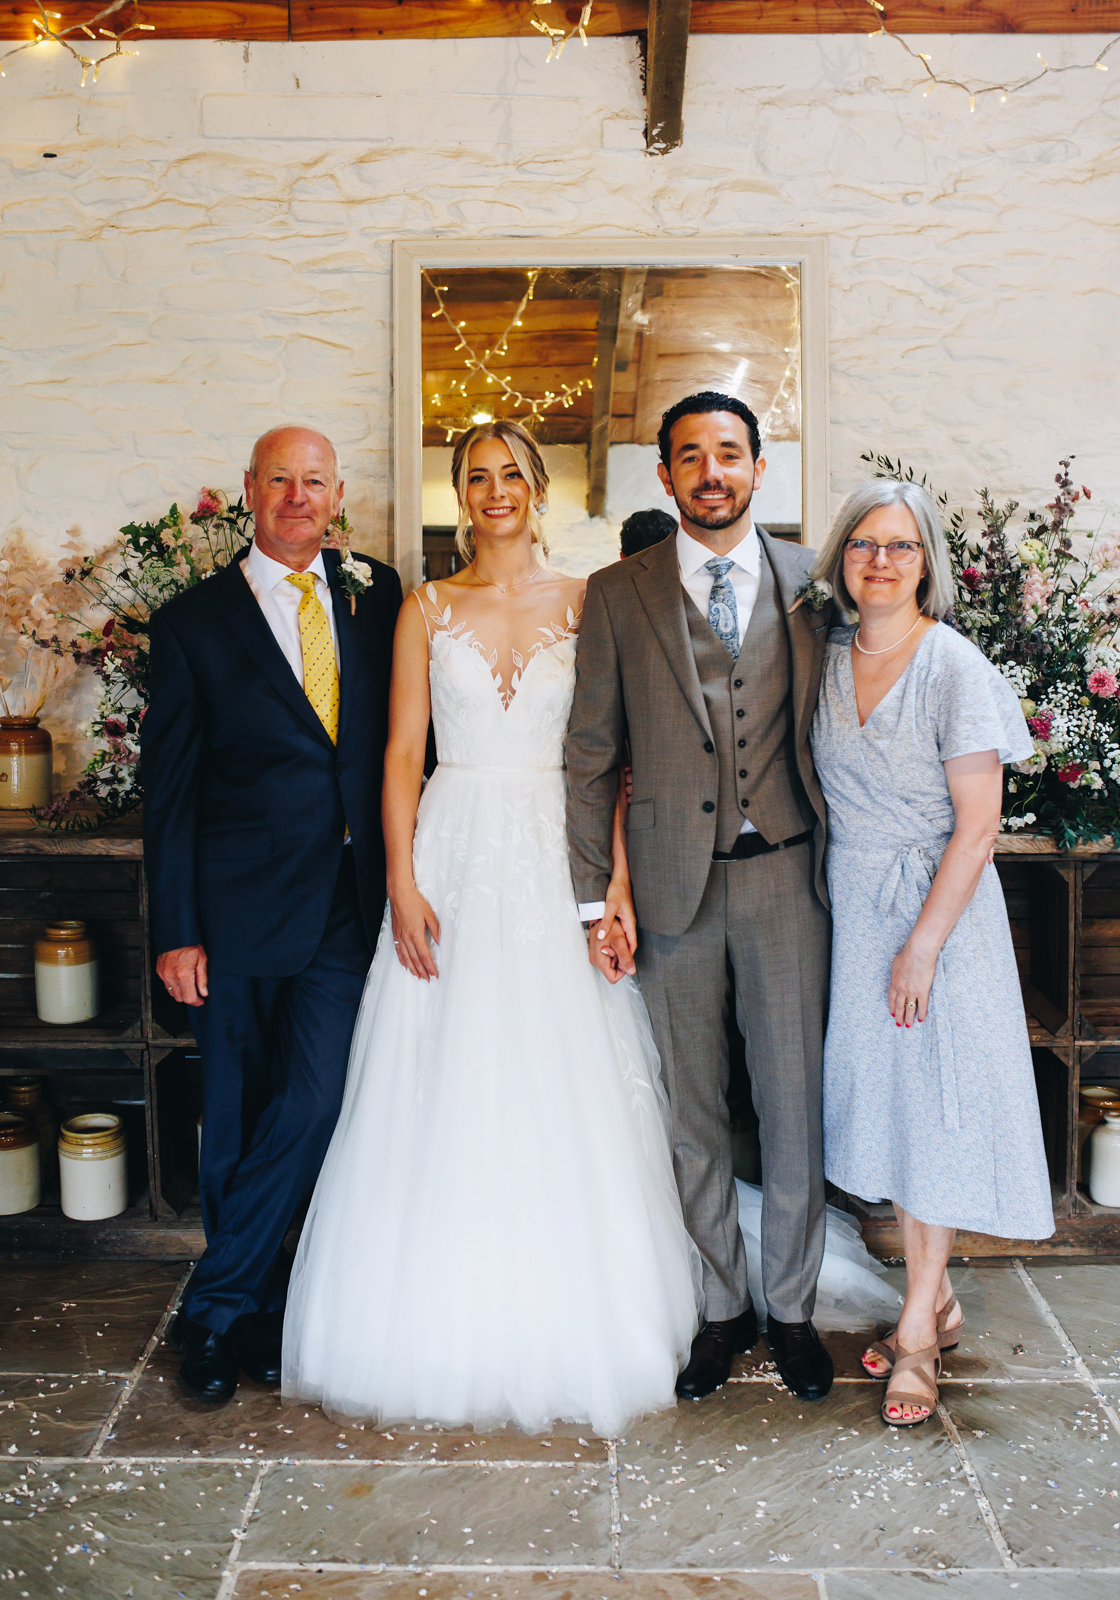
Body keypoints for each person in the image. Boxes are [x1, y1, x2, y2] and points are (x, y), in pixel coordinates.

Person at [282, 419, 700, 1436]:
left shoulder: (590, 598)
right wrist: (401, 881)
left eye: (511, 472)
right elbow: (397, 755)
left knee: (559, 1065)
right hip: (453, 845)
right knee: (443, 1062)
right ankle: (429, 1304)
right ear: (458, 494)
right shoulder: (425, 606)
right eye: (476, 475)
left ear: (537, 486)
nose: (495, 489)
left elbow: (609, 760)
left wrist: (616, 892)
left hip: (558, 848)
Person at [566, 390, 837, 1404]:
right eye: (691, 455)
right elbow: (589, 754)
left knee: (790, 1104)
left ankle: (794, 1309)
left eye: (729, 452)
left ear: (758, 468)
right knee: (692, 1108)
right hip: (671, 886)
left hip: (786, 877)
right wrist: (594, 897)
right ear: (667, 476)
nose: (711, 470)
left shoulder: (817, 580)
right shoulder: (615, 592)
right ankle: (722, 1308)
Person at [142, 425, 403, 1406]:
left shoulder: (377, 596)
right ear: (248, 491)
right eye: (279, 480)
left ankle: (211, 1306)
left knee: (317, 1097)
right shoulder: (193, 622)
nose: (297, 496)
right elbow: (167, 794)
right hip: (234, 909)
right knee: (236, 1114)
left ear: (337, 494)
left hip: (347, 903)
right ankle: (246, 1312)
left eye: (314, 481)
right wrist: (176, 927)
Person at [808, 480, 1055, 1429]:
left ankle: (917, 1332)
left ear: (927, 563)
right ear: (840, 559)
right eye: (864, 543)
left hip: (937, 918)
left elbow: (978, 824)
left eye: (900, 546)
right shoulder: (828, 658)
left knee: (937, 1111)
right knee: (896, 1111)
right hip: (854, 907)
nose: (879, 560)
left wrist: (920, 947)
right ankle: (936, 1298)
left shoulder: (951, 665)